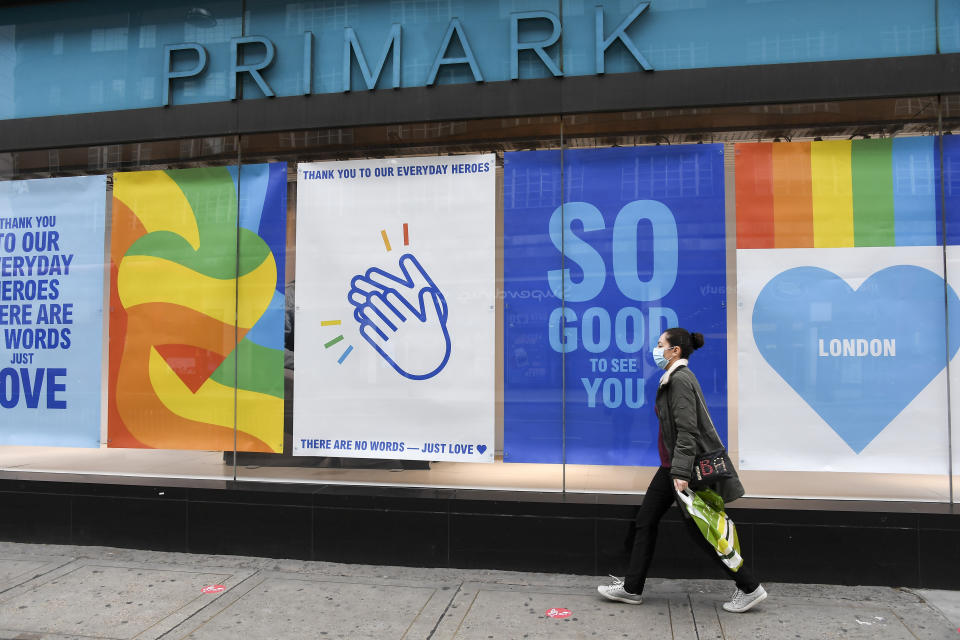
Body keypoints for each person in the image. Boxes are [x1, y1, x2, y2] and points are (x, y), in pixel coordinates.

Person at [597, 328, 767, 613]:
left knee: (703, 531)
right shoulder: (672, 378)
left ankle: (749, 586)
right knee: (646, 521)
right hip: (672, 467)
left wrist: (681, 473)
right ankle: (632, 588)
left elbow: (688, 431)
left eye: (661, 344)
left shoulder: (679, 380)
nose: (656, 348)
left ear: (675, 351)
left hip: (682, 470)